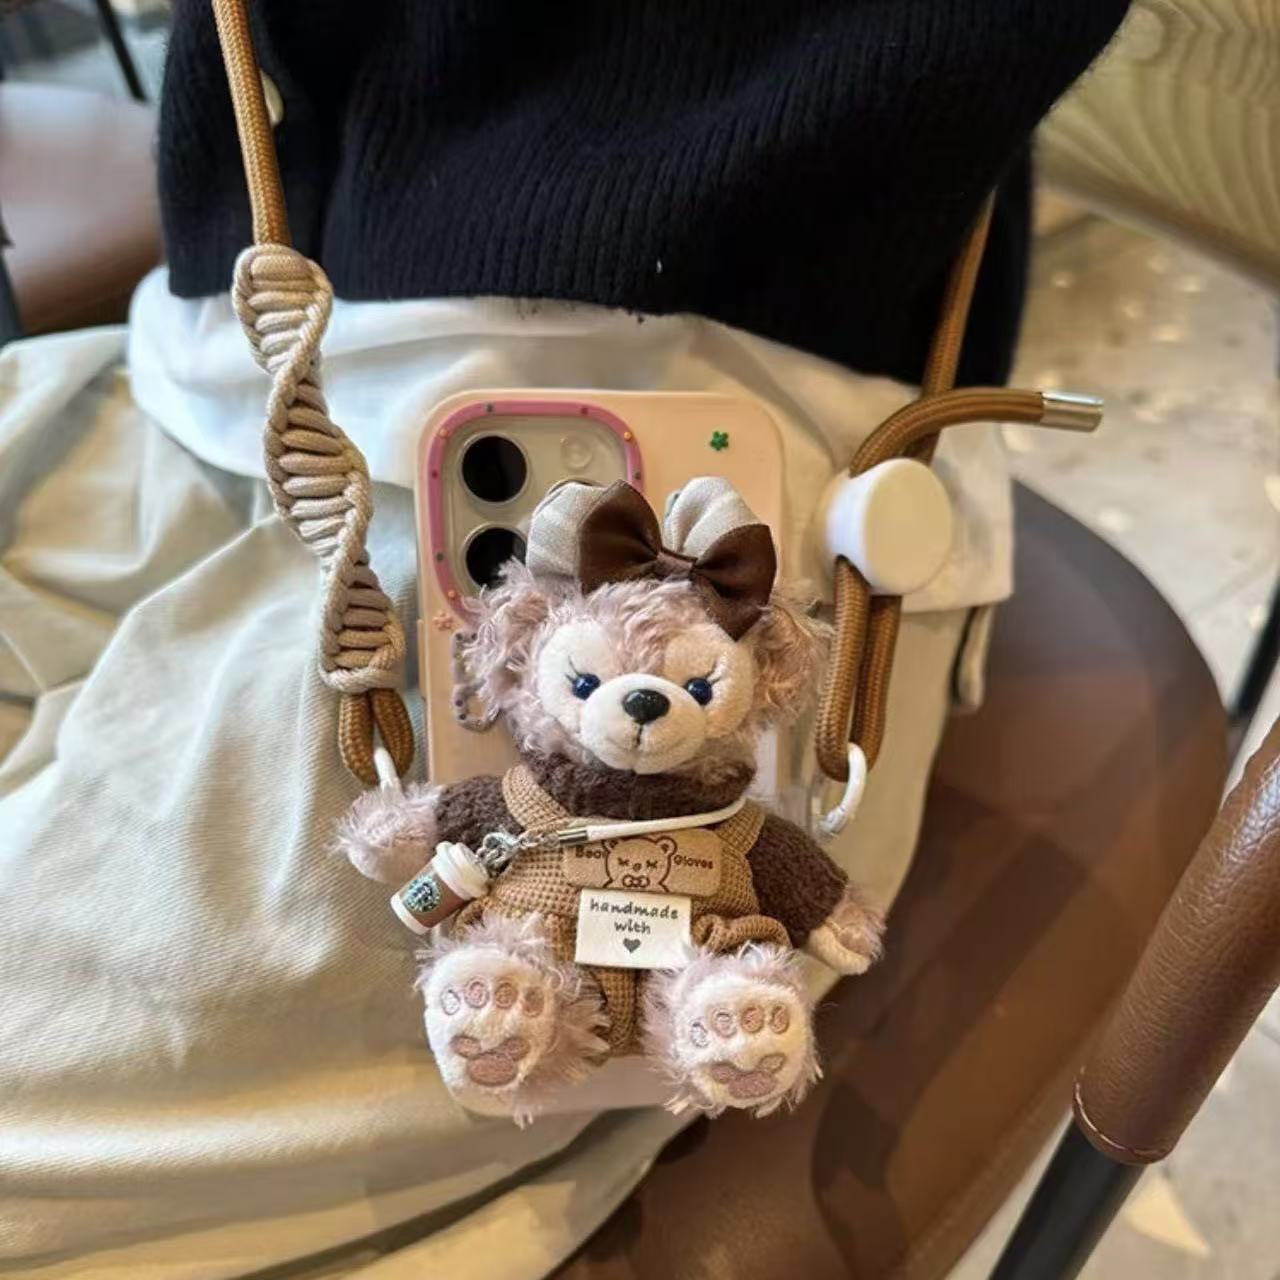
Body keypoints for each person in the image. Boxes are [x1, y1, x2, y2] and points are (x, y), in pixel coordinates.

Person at [0, 2, 1130, 1275]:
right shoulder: (516, 794)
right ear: (528, 642)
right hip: (205, 348)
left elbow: (790, 875)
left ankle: (698, 1016)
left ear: (765, 664)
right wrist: (415, 866)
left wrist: (826, 915)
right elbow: (447, 838)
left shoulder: (738, 733)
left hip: (697, 377)